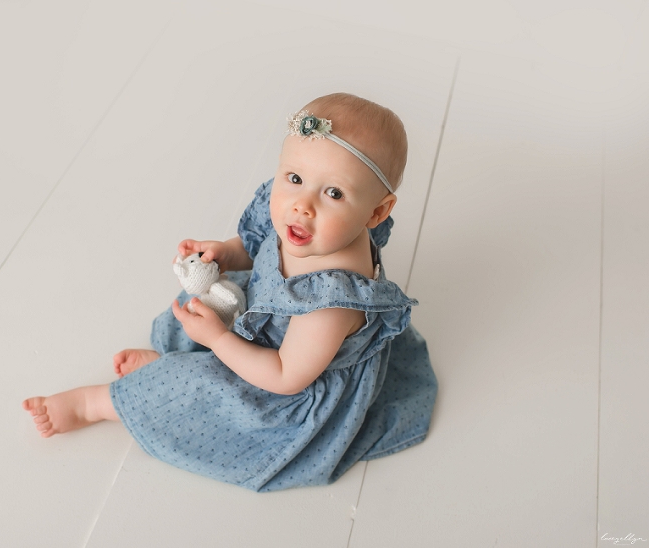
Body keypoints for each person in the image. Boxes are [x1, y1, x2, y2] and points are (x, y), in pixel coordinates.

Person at [23, 92, 438, 492]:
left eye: (333, 193)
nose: (302, 205)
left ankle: (93, 404)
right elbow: (261, 248)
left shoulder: (330, 304)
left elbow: (285, 376)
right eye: (295, 178)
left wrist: (219, 340)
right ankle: (170, 363)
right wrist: (226, 254)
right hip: (264, 322)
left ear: (377, 211)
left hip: (284, 384)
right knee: (200, 305)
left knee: (202, 384)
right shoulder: (308, 226)